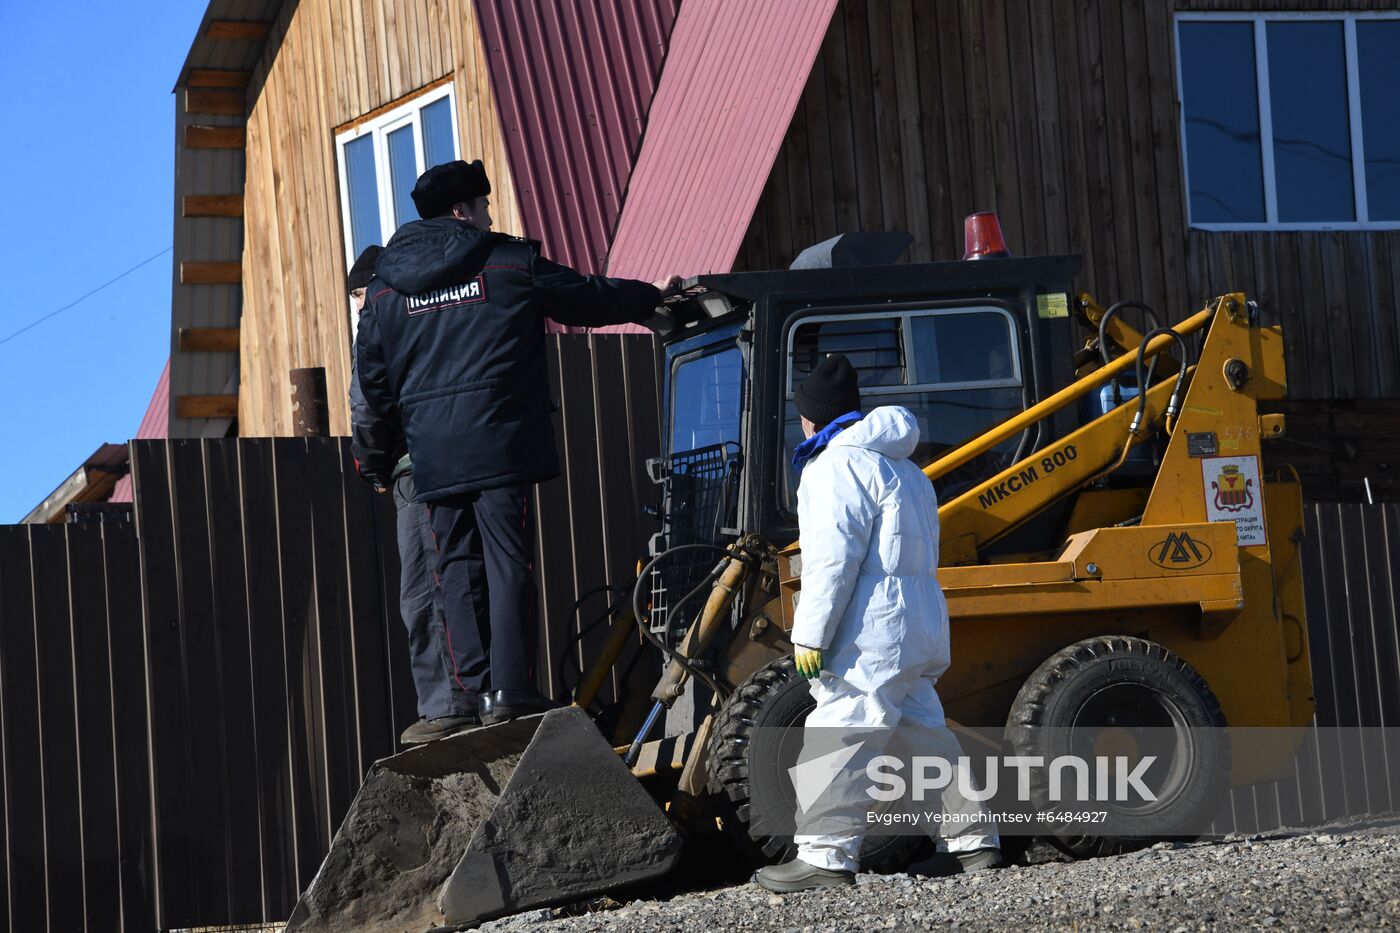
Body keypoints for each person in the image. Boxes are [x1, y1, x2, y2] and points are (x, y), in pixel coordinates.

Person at [354, 159, 678, 726]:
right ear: (462, 211)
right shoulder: (506, 262)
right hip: (500, 441)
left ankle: (473, 692)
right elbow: (587, 297)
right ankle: (510, 694)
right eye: (483, 206)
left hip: (432, 453)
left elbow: (373, 385)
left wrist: (377, 461)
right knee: (506, 561)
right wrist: (650, 299)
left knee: (454, 567)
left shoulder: (383, 291)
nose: (488, 216)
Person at [755, 354, 1003, 893]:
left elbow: (831, 562)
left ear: (811, 419)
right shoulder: (908, 470)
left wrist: (811, 635)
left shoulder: (832, 468)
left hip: (871, 633)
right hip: (919, 625)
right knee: (924, 734)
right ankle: (971, 843)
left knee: (839, 731)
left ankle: (823, 858)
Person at [348, 245, 477, 744]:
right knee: (470, 579)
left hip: (414, 475)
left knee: (425, 590)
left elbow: (368, 411)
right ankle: (486, 693)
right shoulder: (436, 316)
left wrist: (373, 467)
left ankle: (447, 706)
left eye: (359, 293)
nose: (361, 305)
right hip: (466, 462)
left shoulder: (376, 326)